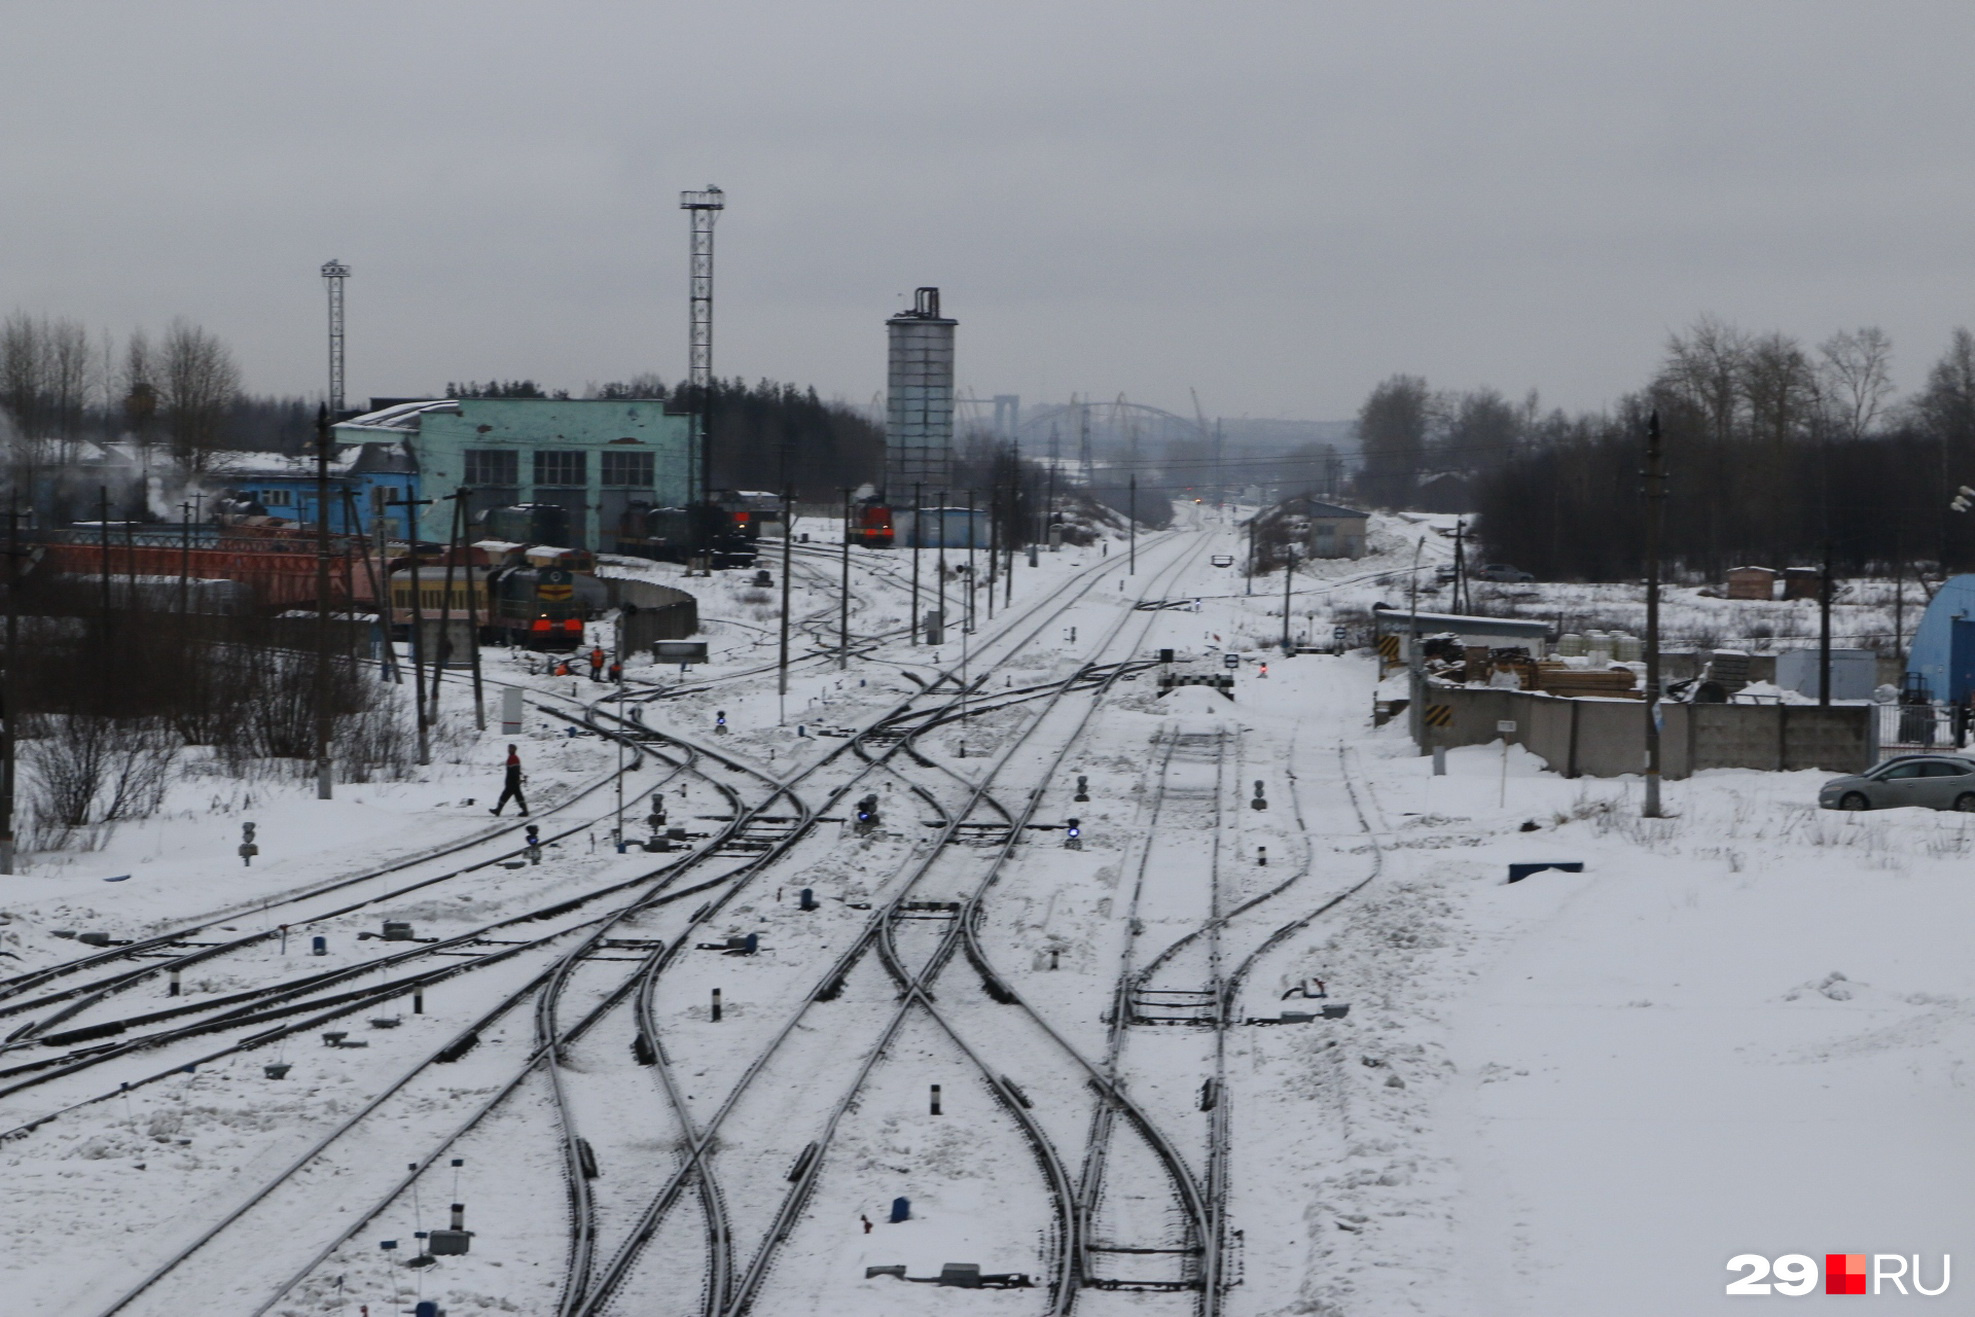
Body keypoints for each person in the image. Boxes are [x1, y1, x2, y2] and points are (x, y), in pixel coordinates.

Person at [491, 744, 528, 816]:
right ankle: (525, 811)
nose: (508, 750)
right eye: (508, 748)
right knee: (519, 797)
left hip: (512, 782)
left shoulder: (513, 758)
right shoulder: (514, 757)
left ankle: (498, 810)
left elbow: (513, 771)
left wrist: (513, 780)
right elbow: (516, 770)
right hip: (514, 782)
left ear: (514, 750)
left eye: (510, 749)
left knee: (504, 796)